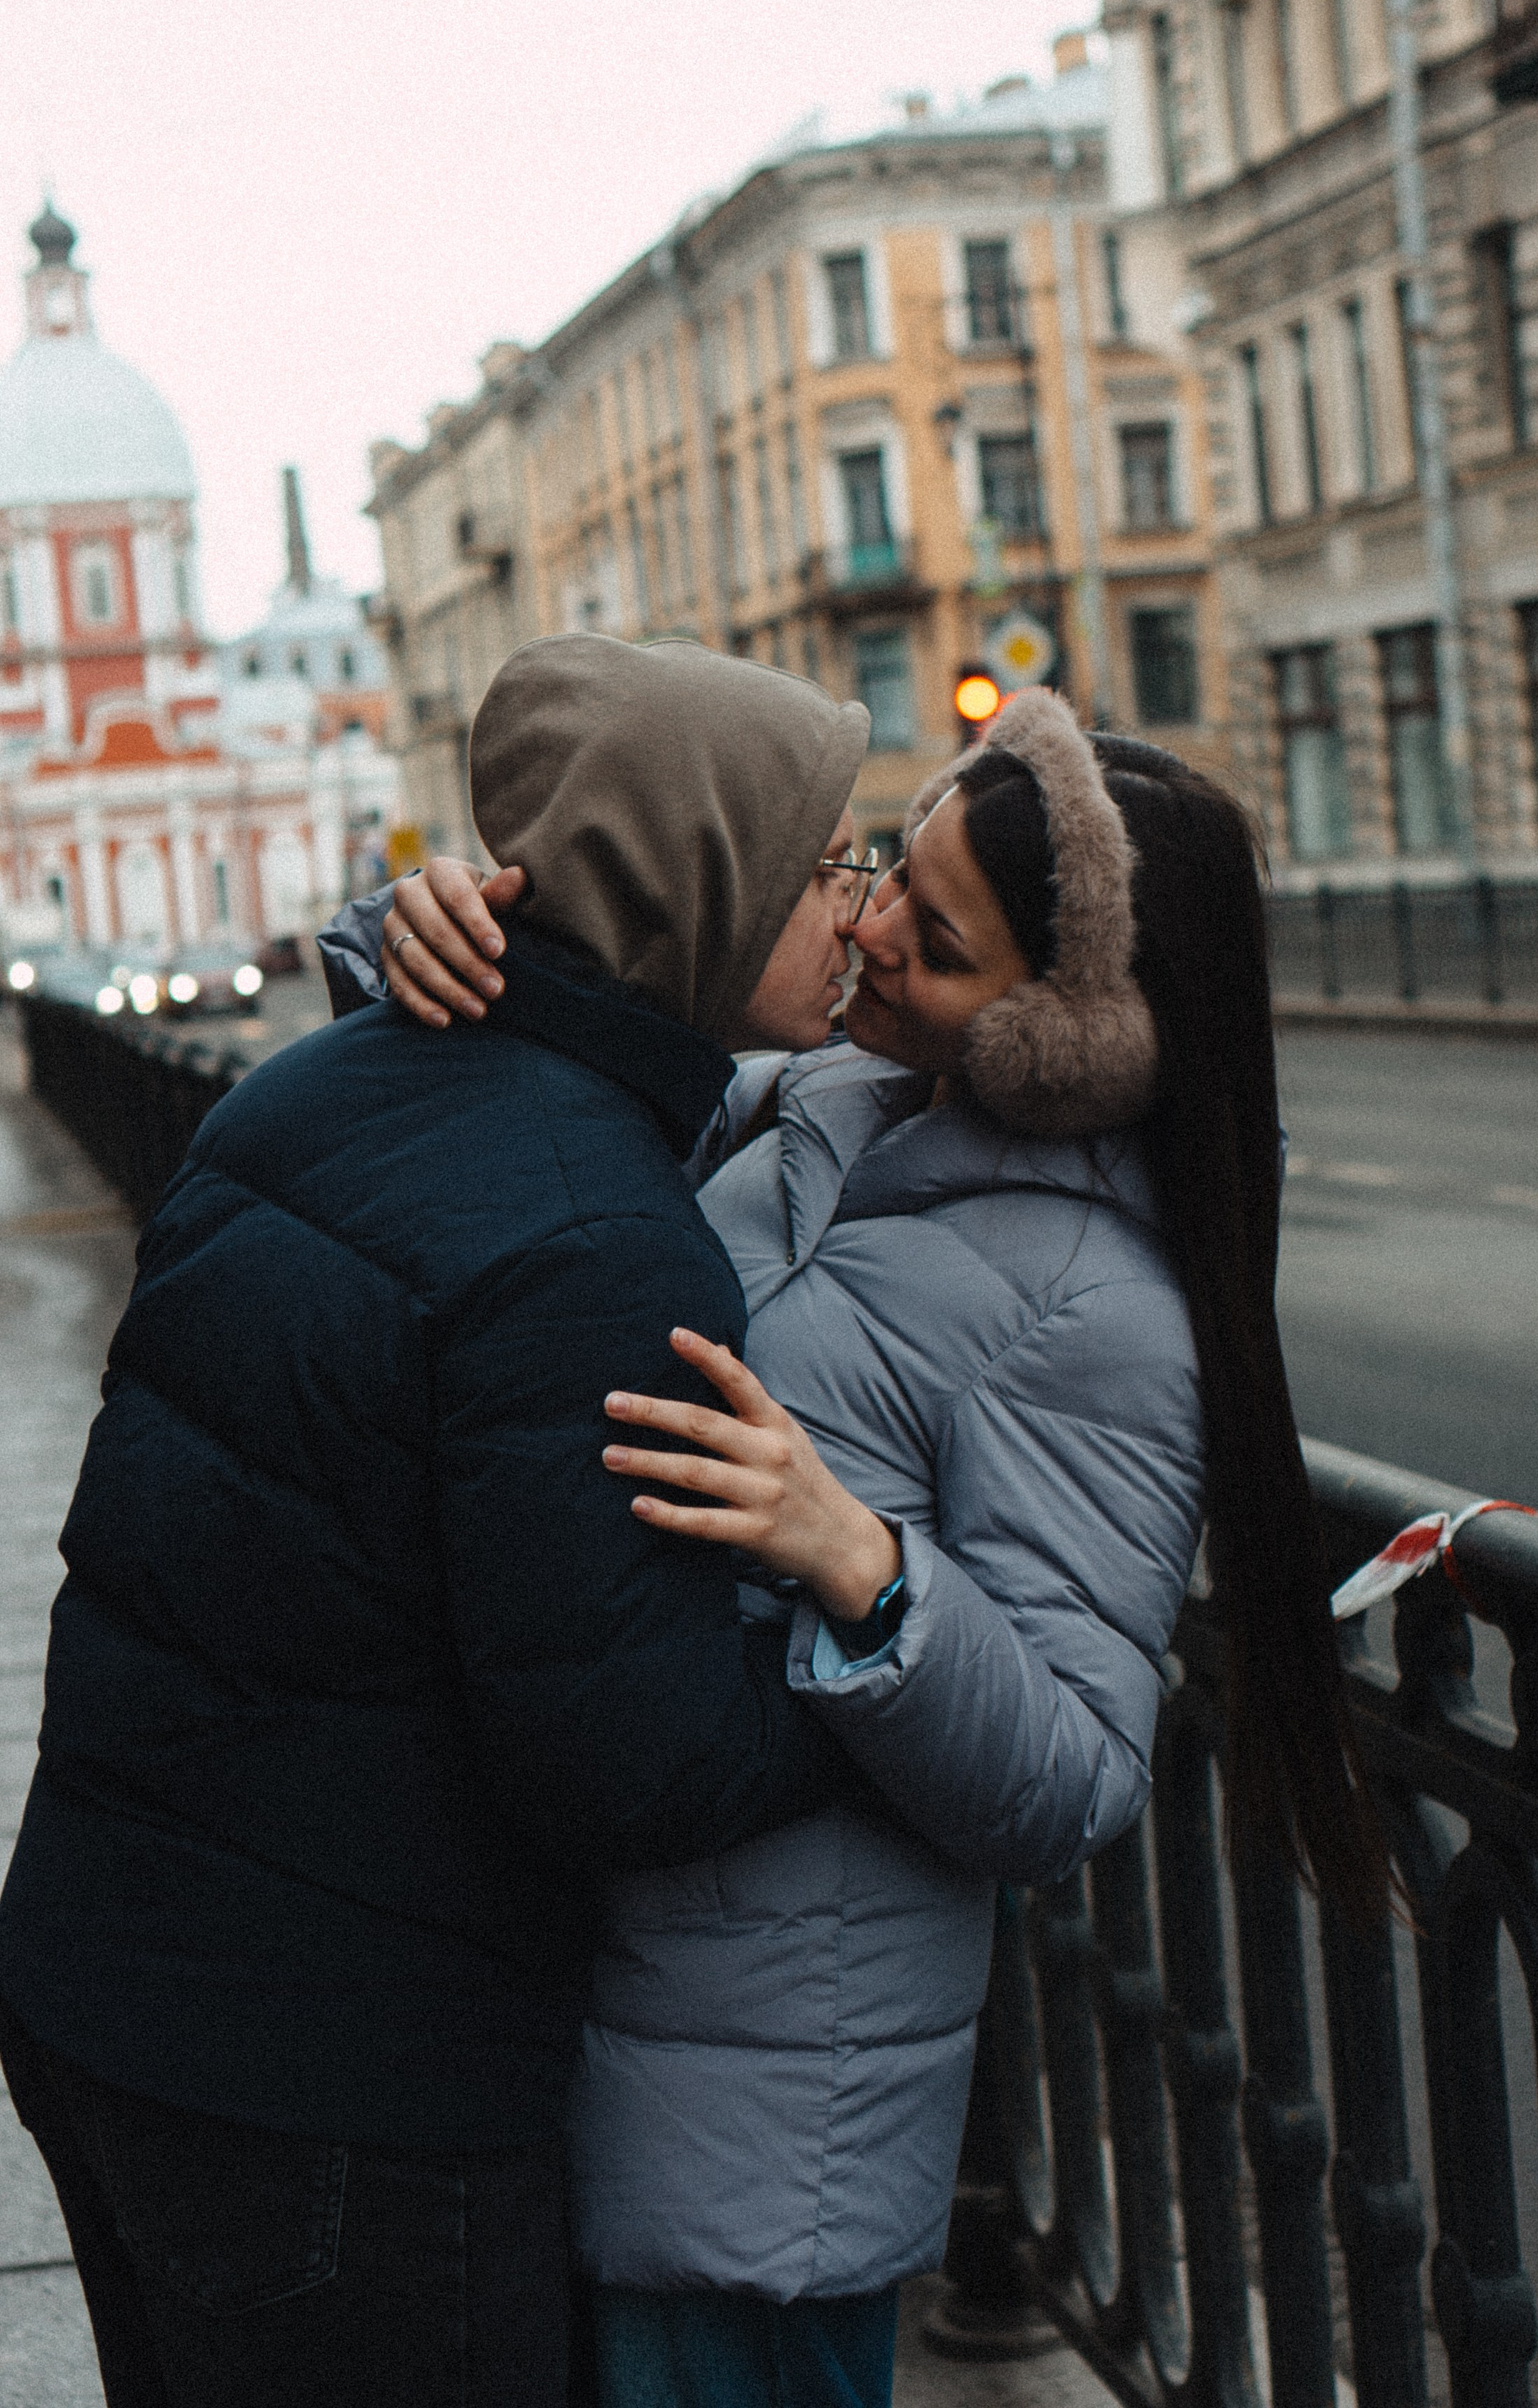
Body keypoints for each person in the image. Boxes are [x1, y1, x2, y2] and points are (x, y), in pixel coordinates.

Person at [354, 689, 1389, 2408]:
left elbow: (1068, 1772)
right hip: (584, 1988)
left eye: (945, 939)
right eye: (893, 871)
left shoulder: (1106, 1314)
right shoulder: (817, 1106)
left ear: (1065, 1032)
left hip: (762, 2129)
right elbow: (563, 1091)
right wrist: (434, 929)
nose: (875, 930)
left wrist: (865, 1565)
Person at [0, 634, 882, 2408]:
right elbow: (623, 1761)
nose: (859, 909)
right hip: (337, 2074)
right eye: (825, 867)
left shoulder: (315, 1087)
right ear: (693, 883)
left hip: (115, 1973)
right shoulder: (593, 1230)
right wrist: (885, 1664)